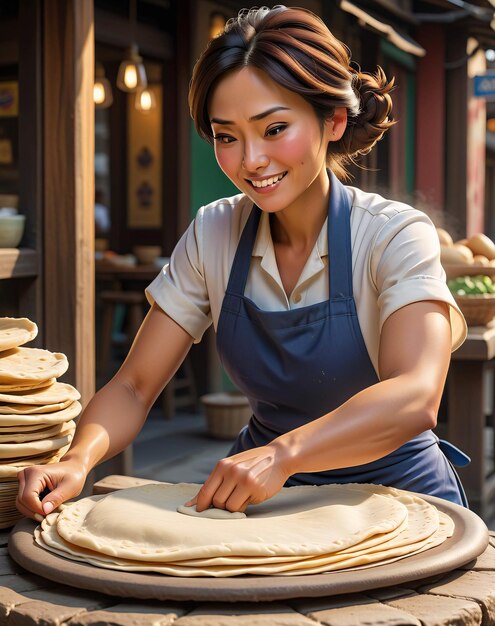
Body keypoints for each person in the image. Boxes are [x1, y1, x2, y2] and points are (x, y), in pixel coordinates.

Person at [16, 5, 469, 521]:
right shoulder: (214, 232)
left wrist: (284, 454)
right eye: (226, 136)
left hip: (401, 500)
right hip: (263, 501)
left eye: (274, 129)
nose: (250, 159)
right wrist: (78, 459)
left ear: (335, 120)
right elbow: (133, 386)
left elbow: (415, 395)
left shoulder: (394, 234)